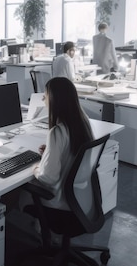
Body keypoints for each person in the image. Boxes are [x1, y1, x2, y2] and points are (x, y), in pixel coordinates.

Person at [33, 77, 95, 209]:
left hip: (60, 203)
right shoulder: (84, 122)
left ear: (55, 101)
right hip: (80, 200)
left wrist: (36, 169)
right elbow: (72, 153)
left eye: (45, 97)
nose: (43, 101)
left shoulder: (57, 132)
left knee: (16, 190)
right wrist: (51, 151)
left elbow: (49, 178)